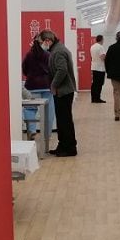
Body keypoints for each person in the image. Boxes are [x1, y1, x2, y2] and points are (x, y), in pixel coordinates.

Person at [39, 29, 77, 157]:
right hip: (64, 90)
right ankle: (63, 145)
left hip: (63, 91)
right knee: (62, 120)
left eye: (42, 42)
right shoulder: (57, 49)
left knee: (64, 120)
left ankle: (69, 148)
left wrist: (54, 85)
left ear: (48, 41)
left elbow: (62, 70)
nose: (41, 45)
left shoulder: (58, 51)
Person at [22, 36, 54, 139]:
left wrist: (31, 76)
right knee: (48, 111)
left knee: (30, 109)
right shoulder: (48, 55)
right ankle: (47, 134)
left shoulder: (28, 55)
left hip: (32, 86)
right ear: (43, 43)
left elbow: (24, 69)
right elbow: (52, 70)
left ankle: (31, 130)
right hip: (46, 86)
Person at [89, 34, 107, 103]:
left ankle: (93, 98)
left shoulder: (92, 47)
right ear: (101, 40)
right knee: (99, 84)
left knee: (94, 83)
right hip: (100, 68)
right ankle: (97, 98)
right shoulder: (100, 47)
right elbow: (102, 57)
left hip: (94, 66)